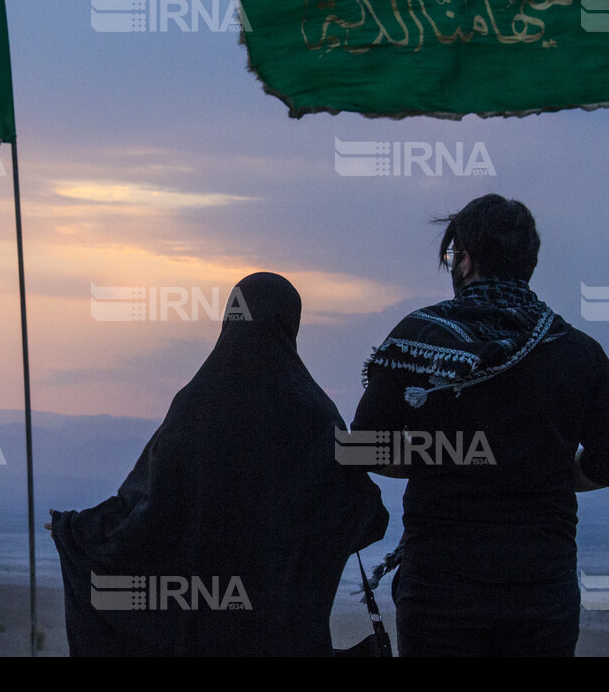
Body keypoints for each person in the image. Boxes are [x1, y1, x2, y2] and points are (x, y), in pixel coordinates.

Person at [48, 272, 389, 656]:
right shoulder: (313, 413)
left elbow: (147, 513)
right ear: (290, 323)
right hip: (289, 640)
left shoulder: (196, 407)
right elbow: (365, 517)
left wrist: (75, 531)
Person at [352, 195, 609, 657]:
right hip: (542, 592)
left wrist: (442, 460)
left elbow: (362, 448)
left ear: (464, 259)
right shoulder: (579, 351)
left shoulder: (418, 339)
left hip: (439, 589)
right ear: (529, 263)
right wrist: (535, 469)